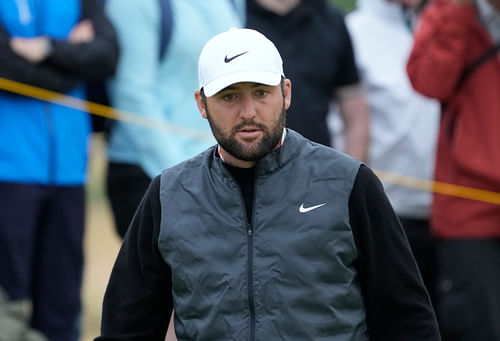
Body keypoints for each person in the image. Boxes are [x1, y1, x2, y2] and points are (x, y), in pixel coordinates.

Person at [96, 28, 440, 341]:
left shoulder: (349, 184)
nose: (248, 111)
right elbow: (125, 329)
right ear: (202, 104)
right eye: (229, 97)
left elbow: (407, 320)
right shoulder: (168, 195)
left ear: (285, 93)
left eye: (261, 93)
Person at [0, 1, 119, 341]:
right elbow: (5, 65)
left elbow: (107, 55)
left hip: (70, 171)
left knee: (62, 308)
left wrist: (45, 48)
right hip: (8, 170)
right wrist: (72, 58)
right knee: (9, 307)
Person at [329, 0, 440, 305]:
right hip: (383, 213)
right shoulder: (352, 30)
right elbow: (342, 123)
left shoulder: (442, 22)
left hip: (448, 215)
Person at [104, 0, 245, 238]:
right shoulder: (131, 5)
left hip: (221, 171)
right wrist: (188, 180)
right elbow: (133, 94)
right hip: (153, 175)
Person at [407, 0, 500, 339]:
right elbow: (427, 81)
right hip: (468, 205)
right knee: (476, 326)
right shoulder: (447, 12)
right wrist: (459, 11)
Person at [246, 0, 370, 161]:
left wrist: (350, 179)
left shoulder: (331, 19)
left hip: (316, 171)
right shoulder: (230, 14)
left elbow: (355, 111)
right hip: (245, 172)